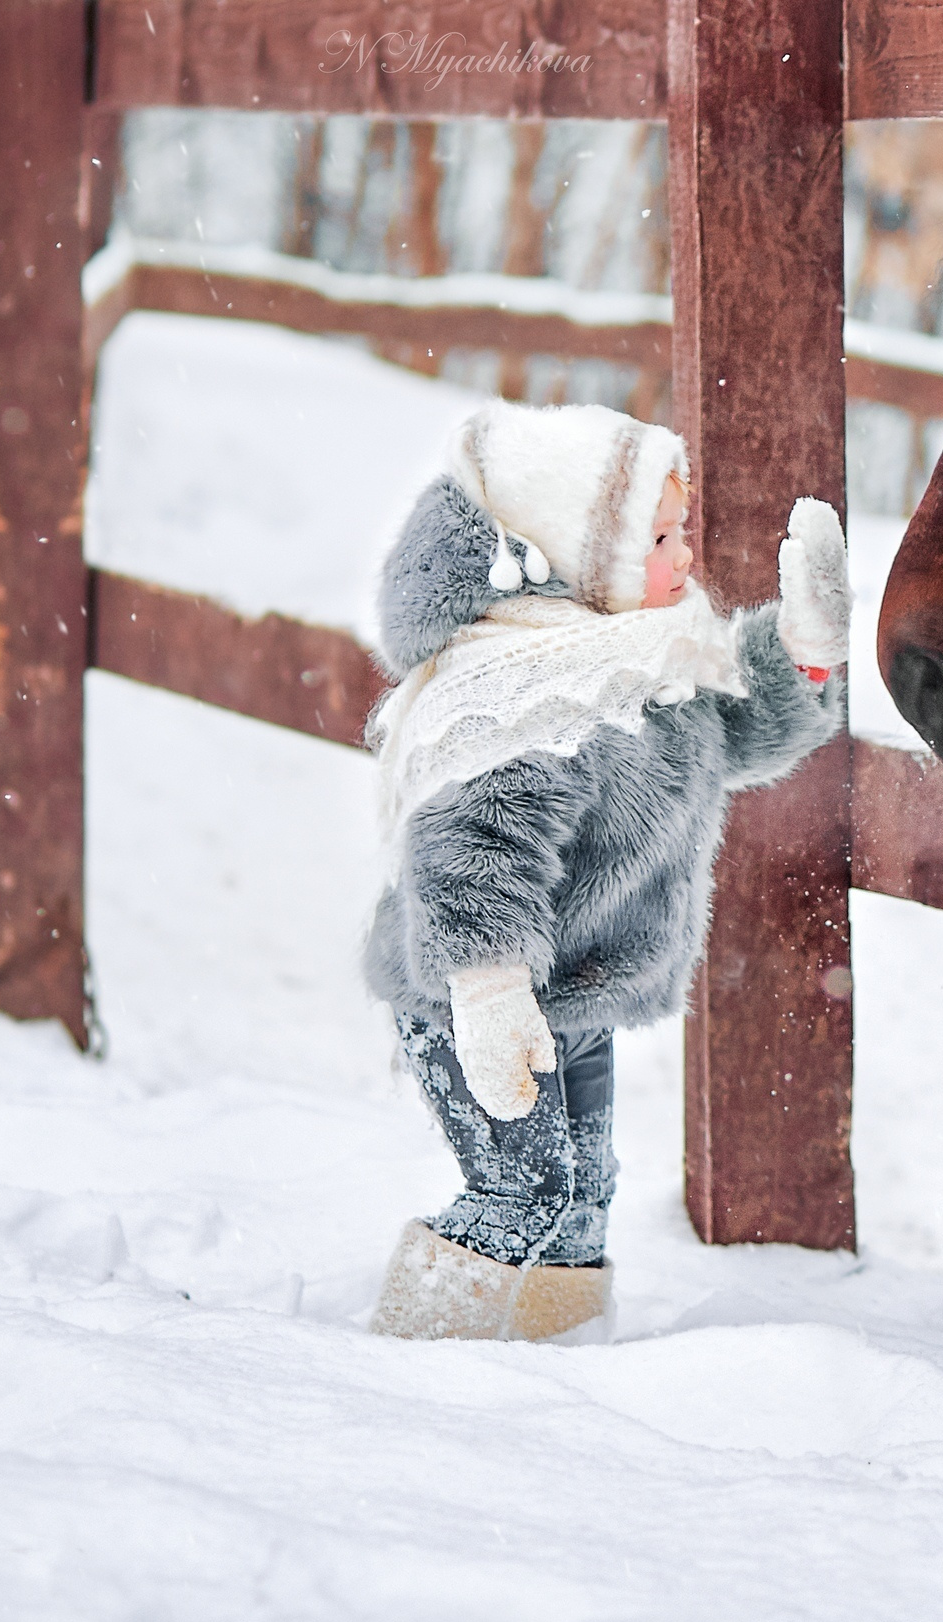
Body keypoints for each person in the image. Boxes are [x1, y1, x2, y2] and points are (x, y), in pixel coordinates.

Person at [360, 400, 853, 1341]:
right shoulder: (520, 696)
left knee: (584, 1203)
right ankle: (415, 1358)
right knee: (525, 1191)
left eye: (683, 531)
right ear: (586, 555)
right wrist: (491, 987)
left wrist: (802, 649)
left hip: (576, 998)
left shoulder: (642, 661)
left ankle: (559, 1363)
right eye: (660, 538)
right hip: (476, 1002)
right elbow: (472, 850)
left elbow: (735, 729)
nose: (687, 557)